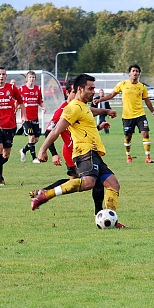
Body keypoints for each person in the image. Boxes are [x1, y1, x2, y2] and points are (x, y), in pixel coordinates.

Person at [31, 74, 124, 224]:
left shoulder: (83, 106)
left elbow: (90, 112)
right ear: (80, 89)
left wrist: (106, 112)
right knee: (88, 183)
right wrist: (43, 149)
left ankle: (110, 219)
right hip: (84, 152)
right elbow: (55, 130)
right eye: (90, 88)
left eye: (94, 88)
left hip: (94, 152)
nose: (93, 91)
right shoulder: (72, 108)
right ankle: (46, 195)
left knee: (113, 184)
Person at [95, 64, 154, 163]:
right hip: (127, 116)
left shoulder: (142, 87)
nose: (135, 73)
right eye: (133, 71)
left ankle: (148, 157)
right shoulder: (122, 84)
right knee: (128, 137)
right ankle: (128, 156)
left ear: (139, 74)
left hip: (140, 115)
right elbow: (112, 95)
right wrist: (100, 100)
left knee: (145, 133)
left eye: (137, 71)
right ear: (129, 73)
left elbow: (147, 100)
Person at [19, 70, 44, 163]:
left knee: (36, 139)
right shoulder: (21, 89)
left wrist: (43, 107)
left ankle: (23, 150)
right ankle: (34, 158)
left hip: (35, 117)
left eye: (33, 77)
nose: (32, 79)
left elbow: (40, 100)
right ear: (26, 79)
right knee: (32, 137)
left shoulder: (38, 89)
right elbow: (17, 101)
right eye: (30, 77)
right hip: (26, 118)